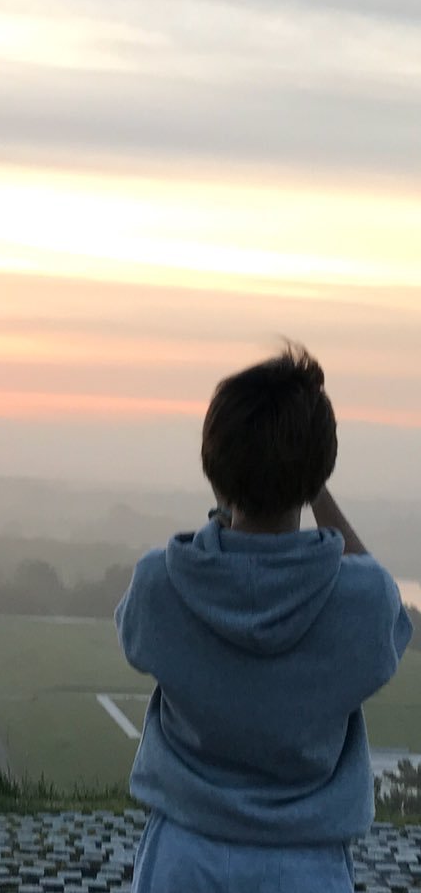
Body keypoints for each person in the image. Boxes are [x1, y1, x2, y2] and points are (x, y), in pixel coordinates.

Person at [115, 343, 412, 891]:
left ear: (214, 467)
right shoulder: (361, 599)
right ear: (317, 471)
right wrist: (308, 482)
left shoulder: (160, 583)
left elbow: (133, 637)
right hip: (308, 865)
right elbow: (389, 619)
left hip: (183, 855)